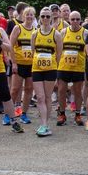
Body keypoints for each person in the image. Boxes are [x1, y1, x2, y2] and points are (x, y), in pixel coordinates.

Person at [30, 8, 59, 136]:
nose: (45, 19)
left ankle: (45, 124)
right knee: (40, 97)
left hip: (50, 69)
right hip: (37, 69)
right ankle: (44, 124)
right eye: (43, 16)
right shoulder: (34, 34)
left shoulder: (56, 34)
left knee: (47, 97)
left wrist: (54, 66)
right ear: (39, 18)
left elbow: (59, 54)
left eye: (48, 16)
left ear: (51, 18)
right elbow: (33, 51)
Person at [8, 6, 36, 124]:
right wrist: (13, 62)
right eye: (27, 14)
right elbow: (10, 46)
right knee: (15, 89)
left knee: (29, 89)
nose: (29, 16)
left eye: (31, 14)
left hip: (31, 64)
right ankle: (8, 114)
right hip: (19, 64)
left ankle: (24, 114)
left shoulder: (36, 30)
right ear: (23, 16)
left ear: (34, 16)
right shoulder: (17, 28)